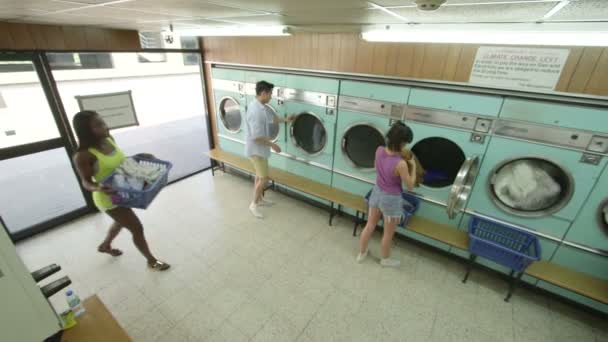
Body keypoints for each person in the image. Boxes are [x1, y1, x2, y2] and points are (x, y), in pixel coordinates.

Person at [72, 111, 170, 271]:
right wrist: (98, 187)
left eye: (102, 122)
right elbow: (86, 182)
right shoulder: (83, 156)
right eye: (98, 125)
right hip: (109, 198)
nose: (105, 126)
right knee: (136, 228)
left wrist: (137, 156)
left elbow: (119, 162)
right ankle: (151, 260)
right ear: (86, 131)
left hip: (124, 191)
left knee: (121, 221)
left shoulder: (109, 140)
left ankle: (105, 245)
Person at [357, 122, 417, 267]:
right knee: (388, 234)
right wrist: (413, 166)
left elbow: (378, 167)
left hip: (377, 192)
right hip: (391, 199)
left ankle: (362, 254)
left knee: (370, 225)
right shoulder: (401, 164)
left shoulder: (379, 150)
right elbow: (410, 185)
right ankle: (385, 259)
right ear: (402, 143)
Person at [245, 81, 295, 219]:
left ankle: (260, 199)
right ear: (263, 93)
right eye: (270, 93)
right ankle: (253, 204)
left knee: (259, 176)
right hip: (256, 150)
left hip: (259, 149)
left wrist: (286, 119)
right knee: (264, 178)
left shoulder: (261, 106)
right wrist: (273, 145)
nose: (271, 96)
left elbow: (272, 118)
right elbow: (256, 137)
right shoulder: (255, 111)